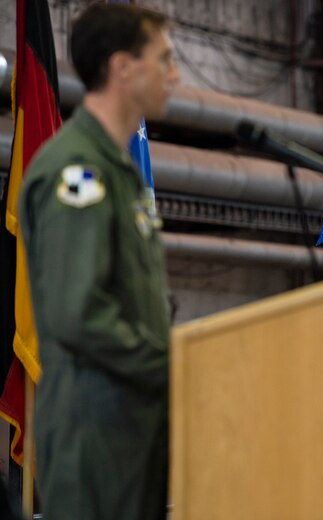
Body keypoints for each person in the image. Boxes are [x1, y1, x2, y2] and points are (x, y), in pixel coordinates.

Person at [18, 4, 179, 520]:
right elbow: (79, 312)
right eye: (163, 59)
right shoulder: (76, 171)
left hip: (133, 436)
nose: (173, 75)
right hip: (95, 443)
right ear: (121, 68)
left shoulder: (121, 173)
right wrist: (173, 368)